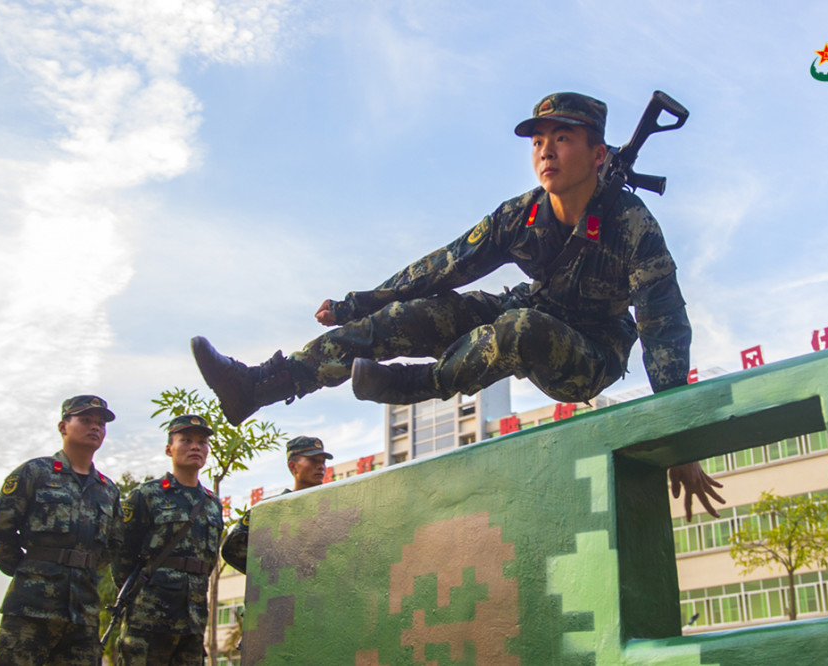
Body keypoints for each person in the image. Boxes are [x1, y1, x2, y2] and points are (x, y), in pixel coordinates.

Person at [192, 92, 723, 519]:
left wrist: (678, 436)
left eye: (563, 139)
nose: (546, 151)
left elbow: (664, 328)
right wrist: (361, 304)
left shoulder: (632, 225)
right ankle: (262, 386)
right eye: (539, 141)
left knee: (517, 327)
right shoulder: (522, 215)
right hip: (529, 308)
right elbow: (444, 266)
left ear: (598, 154)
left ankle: (419, 385)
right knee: (409, 319)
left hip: (589, 355)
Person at [0, 395, 121, 666]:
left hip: (83, 614)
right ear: (63, 426)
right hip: (30, 609)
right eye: (85, 420)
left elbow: (113, 545)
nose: (95, 427)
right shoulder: (36, 473)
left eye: (101, 423)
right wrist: (28, 571)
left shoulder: (108, 490)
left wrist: (81, 567)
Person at [113, 414, 223, 665]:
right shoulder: (147, 495)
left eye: (202, 442)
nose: (196, 446)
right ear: (168, 449)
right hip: (149, 618)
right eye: (186, 440)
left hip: (193, 620)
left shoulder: (212, 504)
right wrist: (139, 595)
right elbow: (122, 554)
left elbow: (208, 560)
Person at [220, 436, 333, 574]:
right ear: (293, 466)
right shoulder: (268, 510)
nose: (321, 466)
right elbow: (232, 550)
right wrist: (270, 575)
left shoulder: (332, 508)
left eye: (323, 462)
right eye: (313, 460)